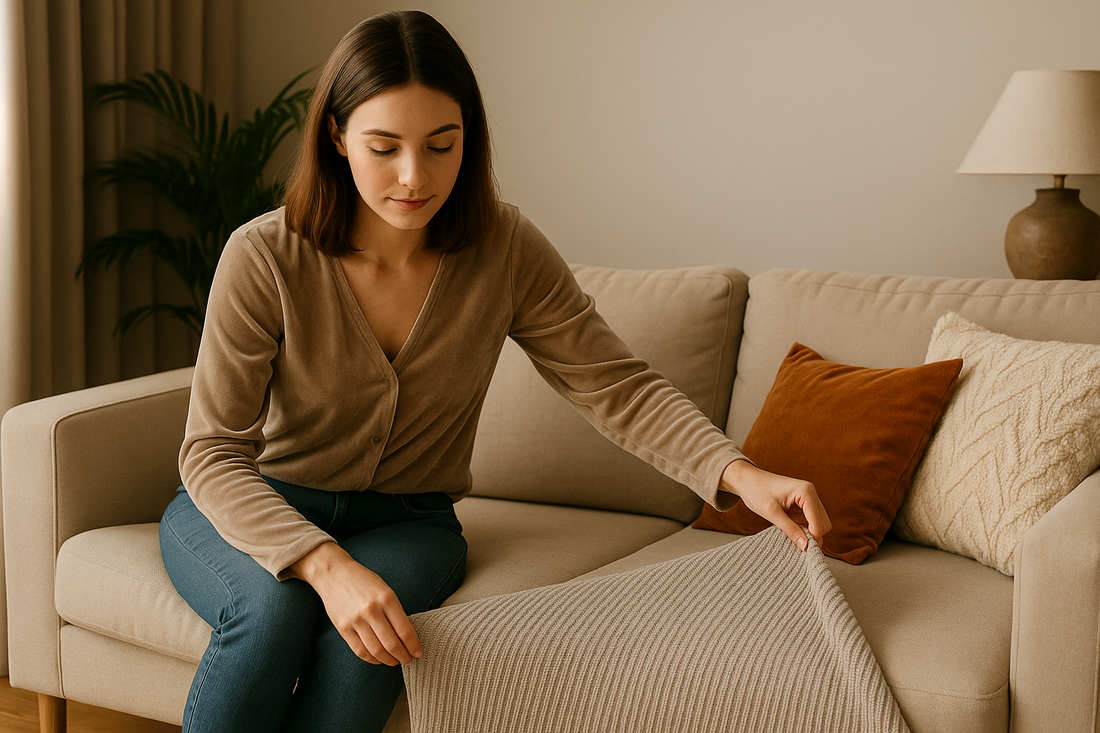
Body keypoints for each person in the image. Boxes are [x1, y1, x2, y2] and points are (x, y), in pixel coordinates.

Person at [158, 9, 831, 733]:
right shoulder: (264, 255)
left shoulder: (503, 247)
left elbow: (615, 382)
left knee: (370, 641)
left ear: (468, 140)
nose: (415, 177)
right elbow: (213, 452)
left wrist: (740, 474)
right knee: (270, 611)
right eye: (384, 147)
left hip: (409, 519)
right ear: (337, 136)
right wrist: (322, 563)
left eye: (441, 146)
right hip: (256, 501)